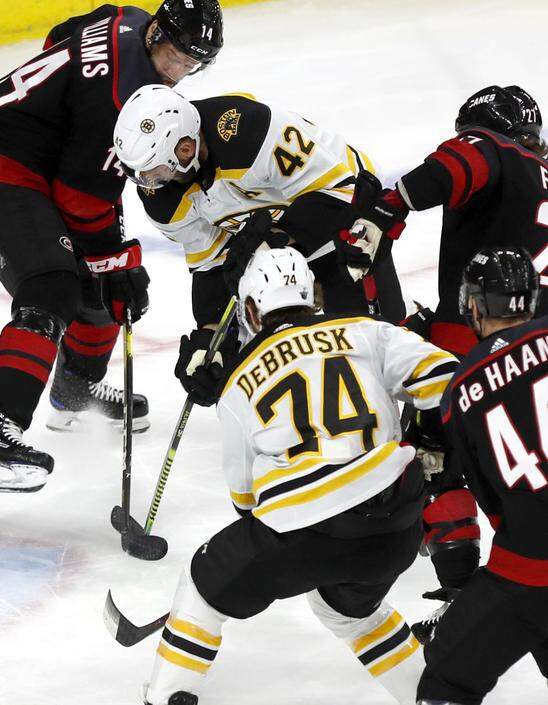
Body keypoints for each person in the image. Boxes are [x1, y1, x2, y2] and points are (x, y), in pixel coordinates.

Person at [139, 247, 458, 705]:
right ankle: (434, 697)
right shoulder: (367, 331)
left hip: (302, 525)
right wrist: (431, 438)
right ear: (315, 295)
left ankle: (164, 695)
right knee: (351, 613)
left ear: (250, 308)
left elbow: (245, 497)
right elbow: (449, 378)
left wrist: (285, 552)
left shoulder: (239, 378)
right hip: (394, 523)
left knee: (202, 588)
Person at [0, 1, 223, 492]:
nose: (179, 72)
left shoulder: (127, 19)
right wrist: (114, 263)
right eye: (175, 56)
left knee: (99, 276)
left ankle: (74, 390)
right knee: (52, 286)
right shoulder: (120, 97)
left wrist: (62, 111)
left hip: (37, 160)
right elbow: (79, 198)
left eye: (193, 63)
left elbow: (62, 34)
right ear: (157, 32)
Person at [340, 84, 548, 632]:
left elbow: (460, 161)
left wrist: (388, 208)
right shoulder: (541, 174)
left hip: (488, 342)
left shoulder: (496, 150)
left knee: (435, 451)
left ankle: (464, 596)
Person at [111, 85, 407, 408]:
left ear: (184, 149)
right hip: (274, 238)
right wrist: (211, 337)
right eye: (141, 176)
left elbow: (342, 194)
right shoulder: (163, 200)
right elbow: (211, 262)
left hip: (344, 216)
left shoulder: (249, 133)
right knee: (271, 354)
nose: (150, 184)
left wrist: (275, 238)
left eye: (155, 172)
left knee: (371, 349)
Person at [417, 246, 548, 704]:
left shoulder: (460, 390)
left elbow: (490, 499)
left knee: (445, 683)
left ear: (473, 305)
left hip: (530, 569)